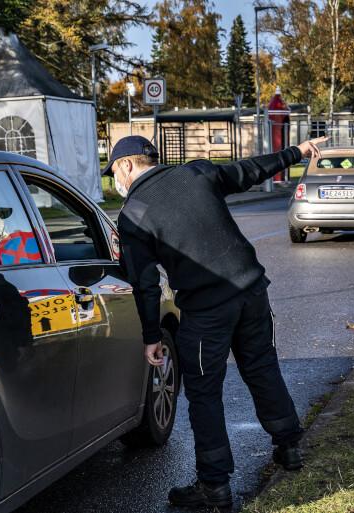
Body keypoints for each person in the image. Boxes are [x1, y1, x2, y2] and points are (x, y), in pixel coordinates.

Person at [105, 135, 328, 511]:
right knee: (262, 368)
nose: (116, 181)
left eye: (113, 172)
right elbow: (251, 171)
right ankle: (290, 447)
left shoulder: (133, 214)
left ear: (126, 165)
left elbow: (144, 284)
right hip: (251, 291)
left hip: (206, 310)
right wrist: (297, 151)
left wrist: (150, 336)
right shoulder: (197, 173)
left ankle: (214, 485)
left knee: (205, 395)